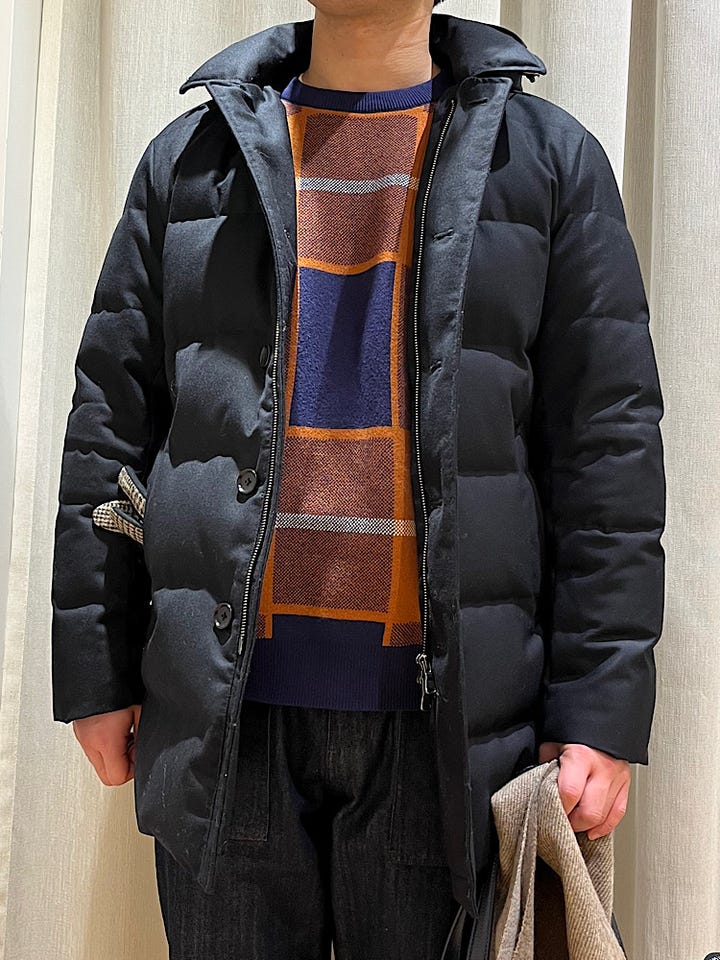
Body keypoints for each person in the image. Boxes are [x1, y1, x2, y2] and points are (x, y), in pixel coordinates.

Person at [50, 1, 666, 958]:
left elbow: (606, 453)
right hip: (222, 724)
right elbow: (109, 426)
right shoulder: (190, 162)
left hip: (449, 737)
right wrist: (95, 665)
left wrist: (599, 710)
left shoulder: (548, 162)